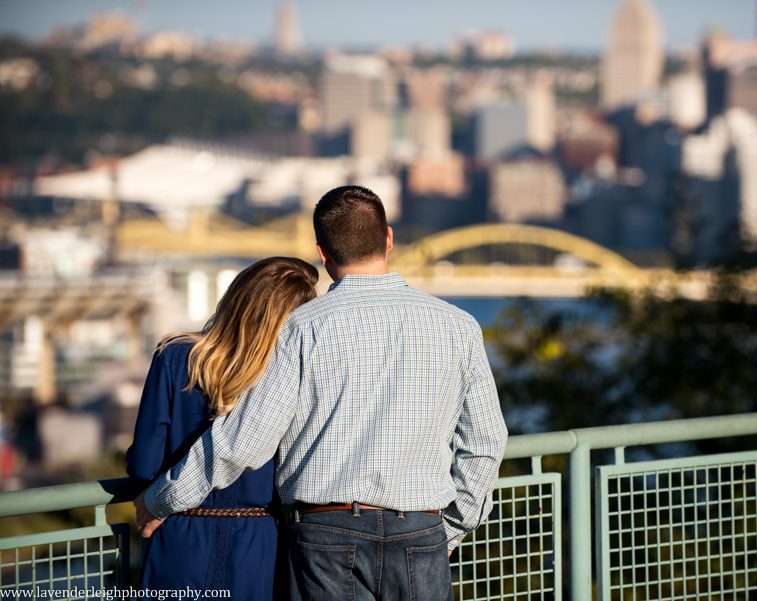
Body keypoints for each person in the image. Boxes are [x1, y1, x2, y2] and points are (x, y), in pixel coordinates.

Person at [135, 185, 508, 601]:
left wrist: (161, 500)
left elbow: (244, 442)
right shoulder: (458, 327)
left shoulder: (304, 327)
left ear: (322, 253)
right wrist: (452, 527)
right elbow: (486, 443)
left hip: (323, 534)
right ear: (388, 238)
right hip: (421, 528)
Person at [126, 256, 319, 599]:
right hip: (259, 540)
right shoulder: (288, 375)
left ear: (238, 297)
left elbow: (144, 463)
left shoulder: (174, 355)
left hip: (178, 529)